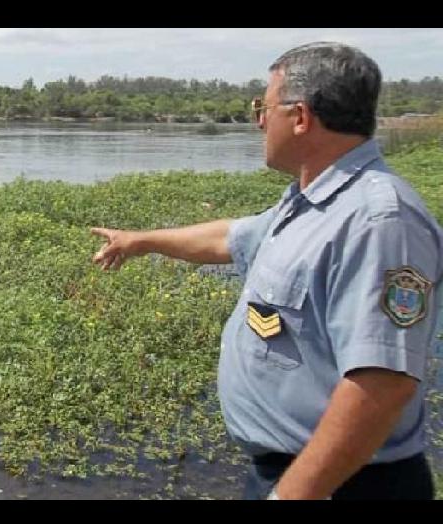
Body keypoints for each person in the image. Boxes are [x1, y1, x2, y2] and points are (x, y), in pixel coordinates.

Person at [90, 42, 443, 500]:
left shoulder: (379, 220)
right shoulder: (310, 202)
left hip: (343, 484)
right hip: (295, 475)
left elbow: (382, 384)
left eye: (264, 106)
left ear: (300, 117)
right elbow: (229, 238)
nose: (258, 120)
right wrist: (141, 240)